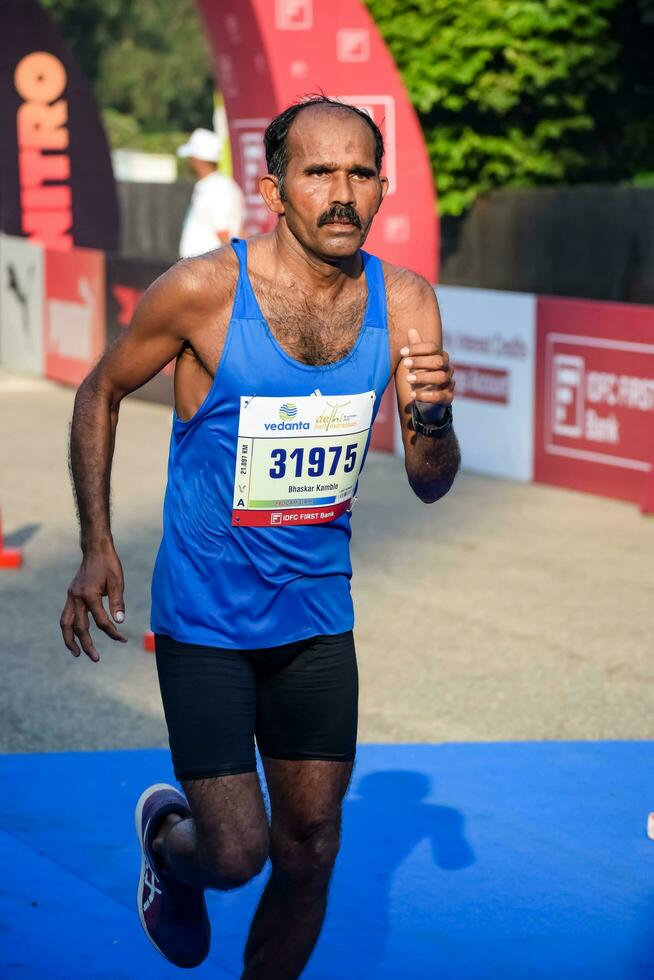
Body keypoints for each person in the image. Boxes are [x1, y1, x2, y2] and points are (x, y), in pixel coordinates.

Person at [60, 95, 459, 978]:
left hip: (317, 618)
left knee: (311, 846)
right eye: (319, 172)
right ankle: (169, 845)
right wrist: (98, 542)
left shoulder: (407, 304)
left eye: (360, 172)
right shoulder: (205, 291)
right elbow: (100, 390)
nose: (342, 192)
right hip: (207, 618)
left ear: (384, 186)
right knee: (237, 852)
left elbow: (432, 482)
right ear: (276, 187)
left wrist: (432, 416)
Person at [177, 127, 245, 258]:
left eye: (191, 157)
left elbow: (225, 234)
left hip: (208, 269)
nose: (189, 162)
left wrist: (238, 268)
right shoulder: (213, 186)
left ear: (198, 160)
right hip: (202, 268)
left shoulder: (218, 188)